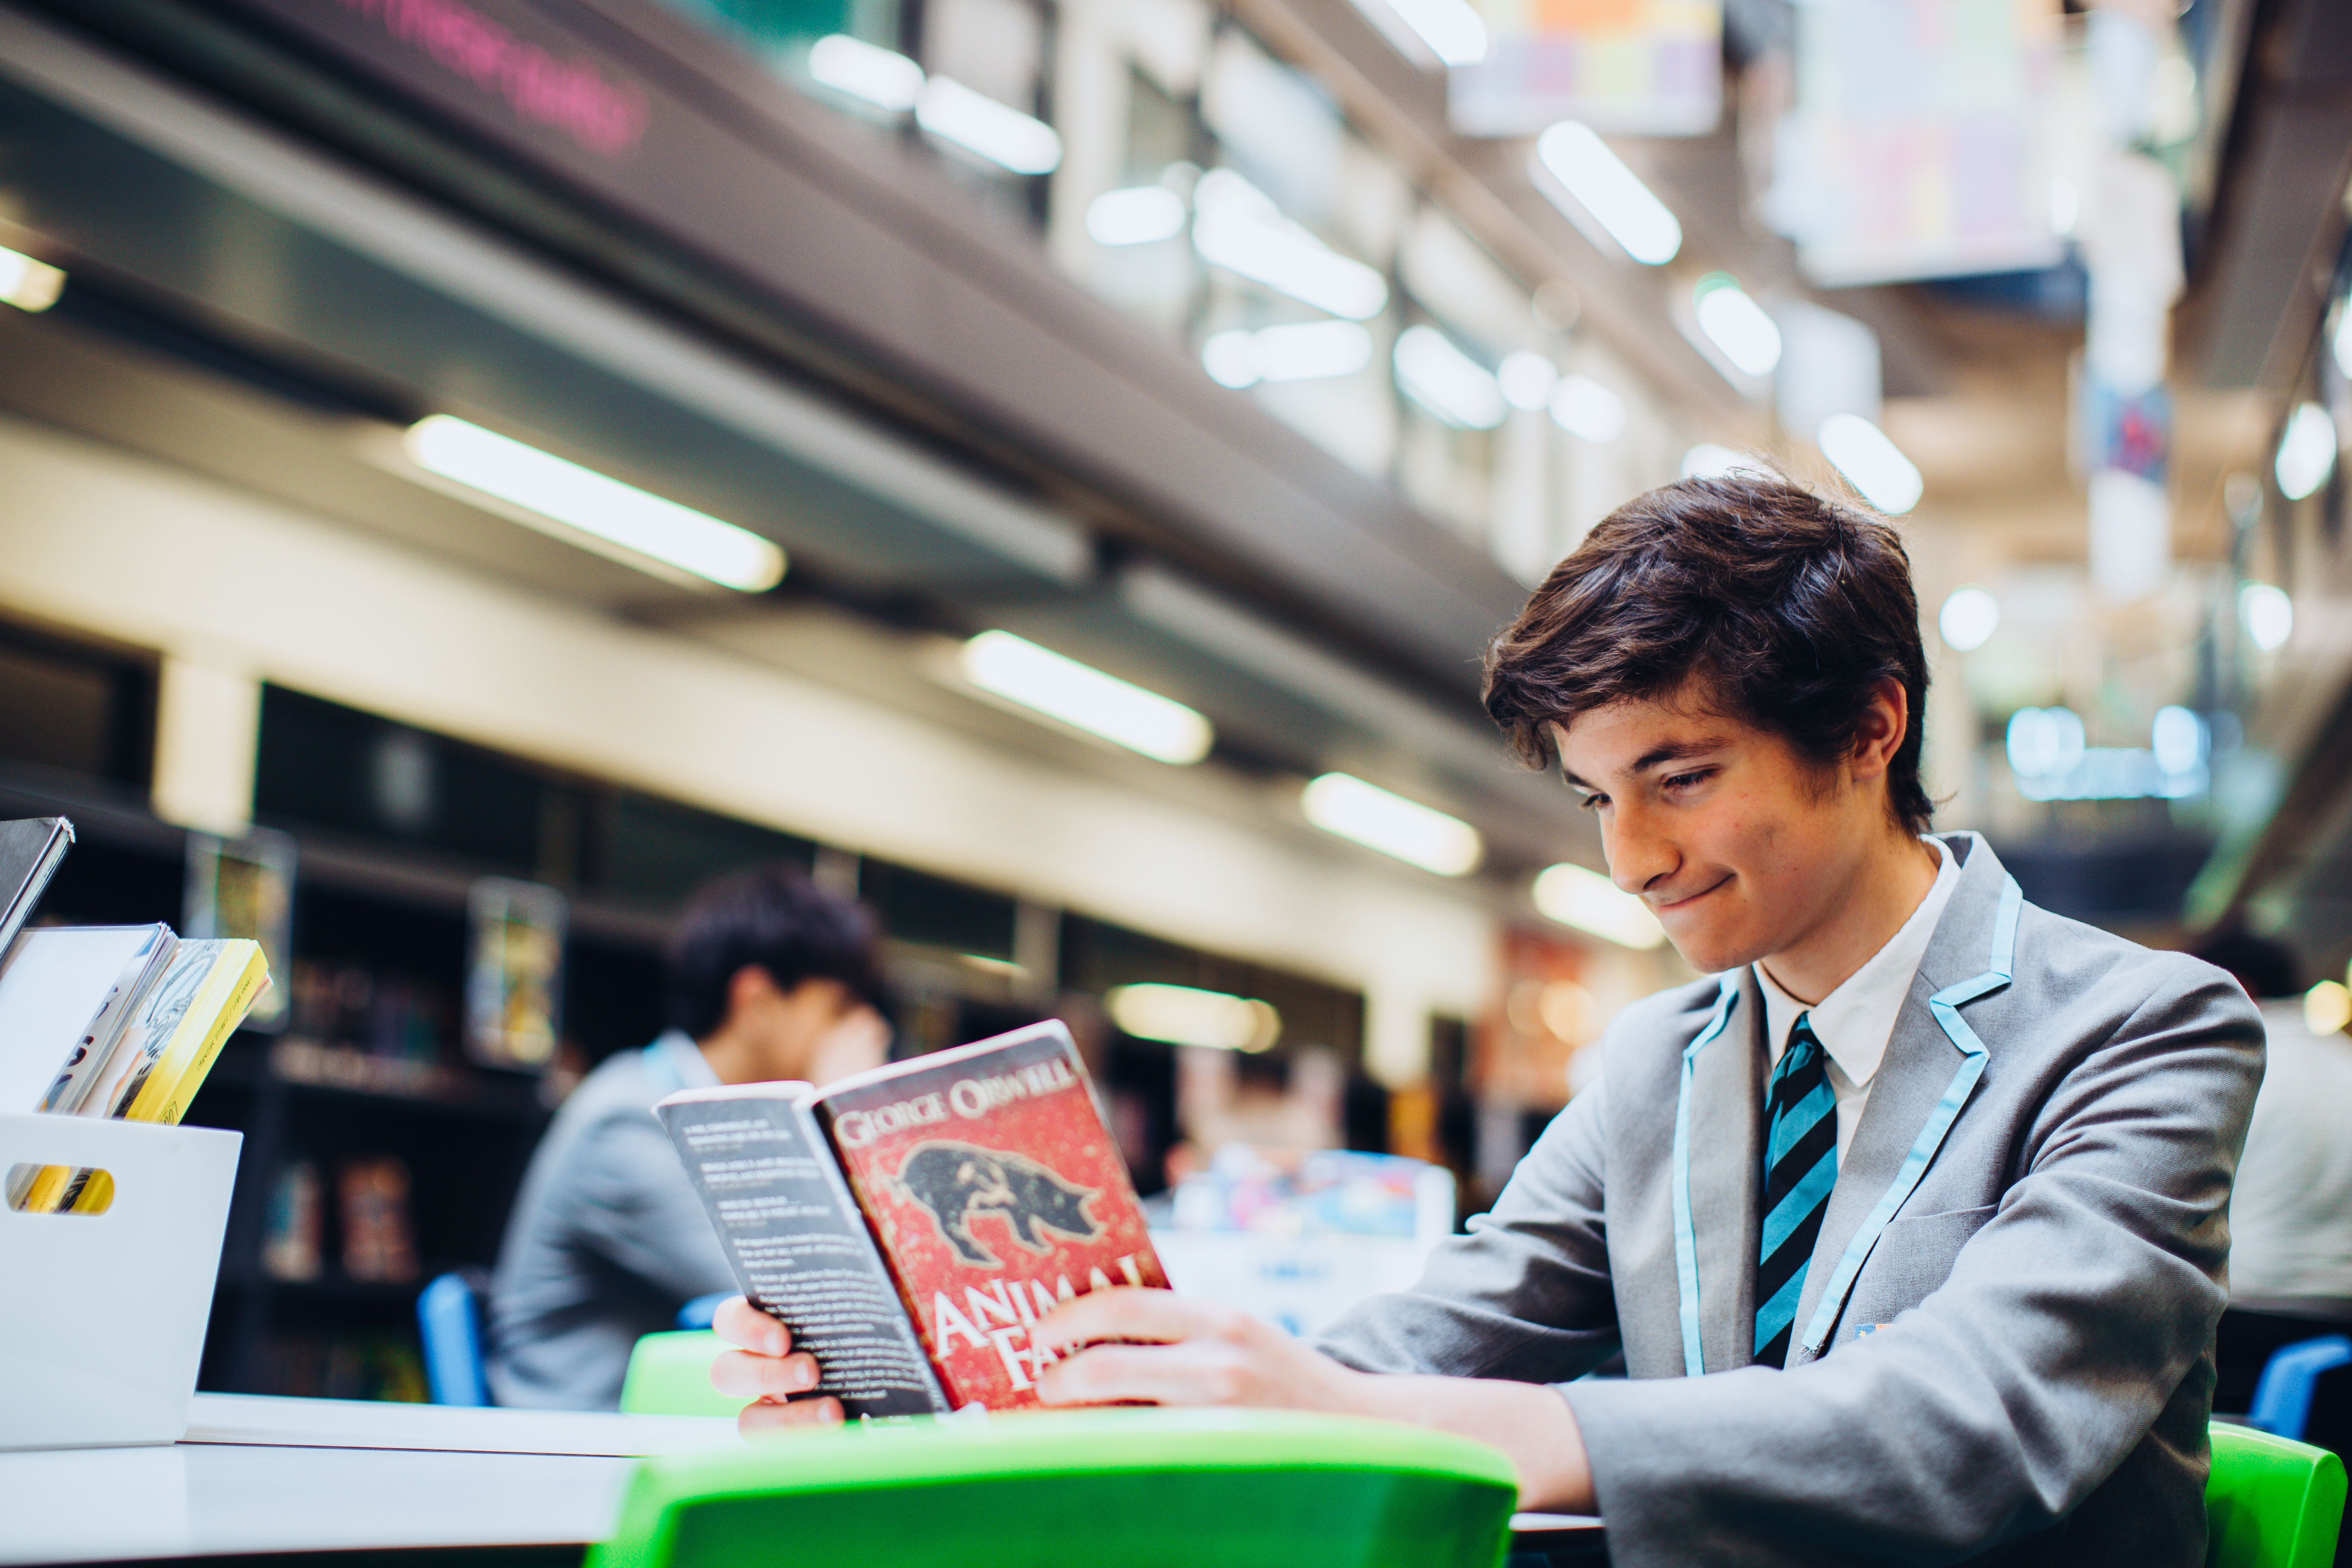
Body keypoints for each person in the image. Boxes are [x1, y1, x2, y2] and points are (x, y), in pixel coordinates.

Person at [708, 473, 2263, 1567]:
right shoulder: (1662, 1058)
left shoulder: (2137, 1031)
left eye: (1682, 774)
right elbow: (1429, 1333)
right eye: (1597, 794)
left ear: (1868, 727)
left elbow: (1958, 1428)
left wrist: (1363, 1405)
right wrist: (1001, 1387)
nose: (1632, 859)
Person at [486, 863, 889, 1409]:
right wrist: (843, 1114)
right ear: (758, 1003)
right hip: (573, 1443)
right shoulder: (626, 1125)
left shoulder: (700, 1118)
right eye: (838, 1008)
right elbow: (816, 1298)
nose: (861, 1033)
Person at [2193, 930, 2352, 1414]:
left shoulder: (2229, 1069)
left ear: (2235, 985)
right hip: (2340, 1324)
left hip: (2241, 1318)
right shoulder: (2346, 1063)